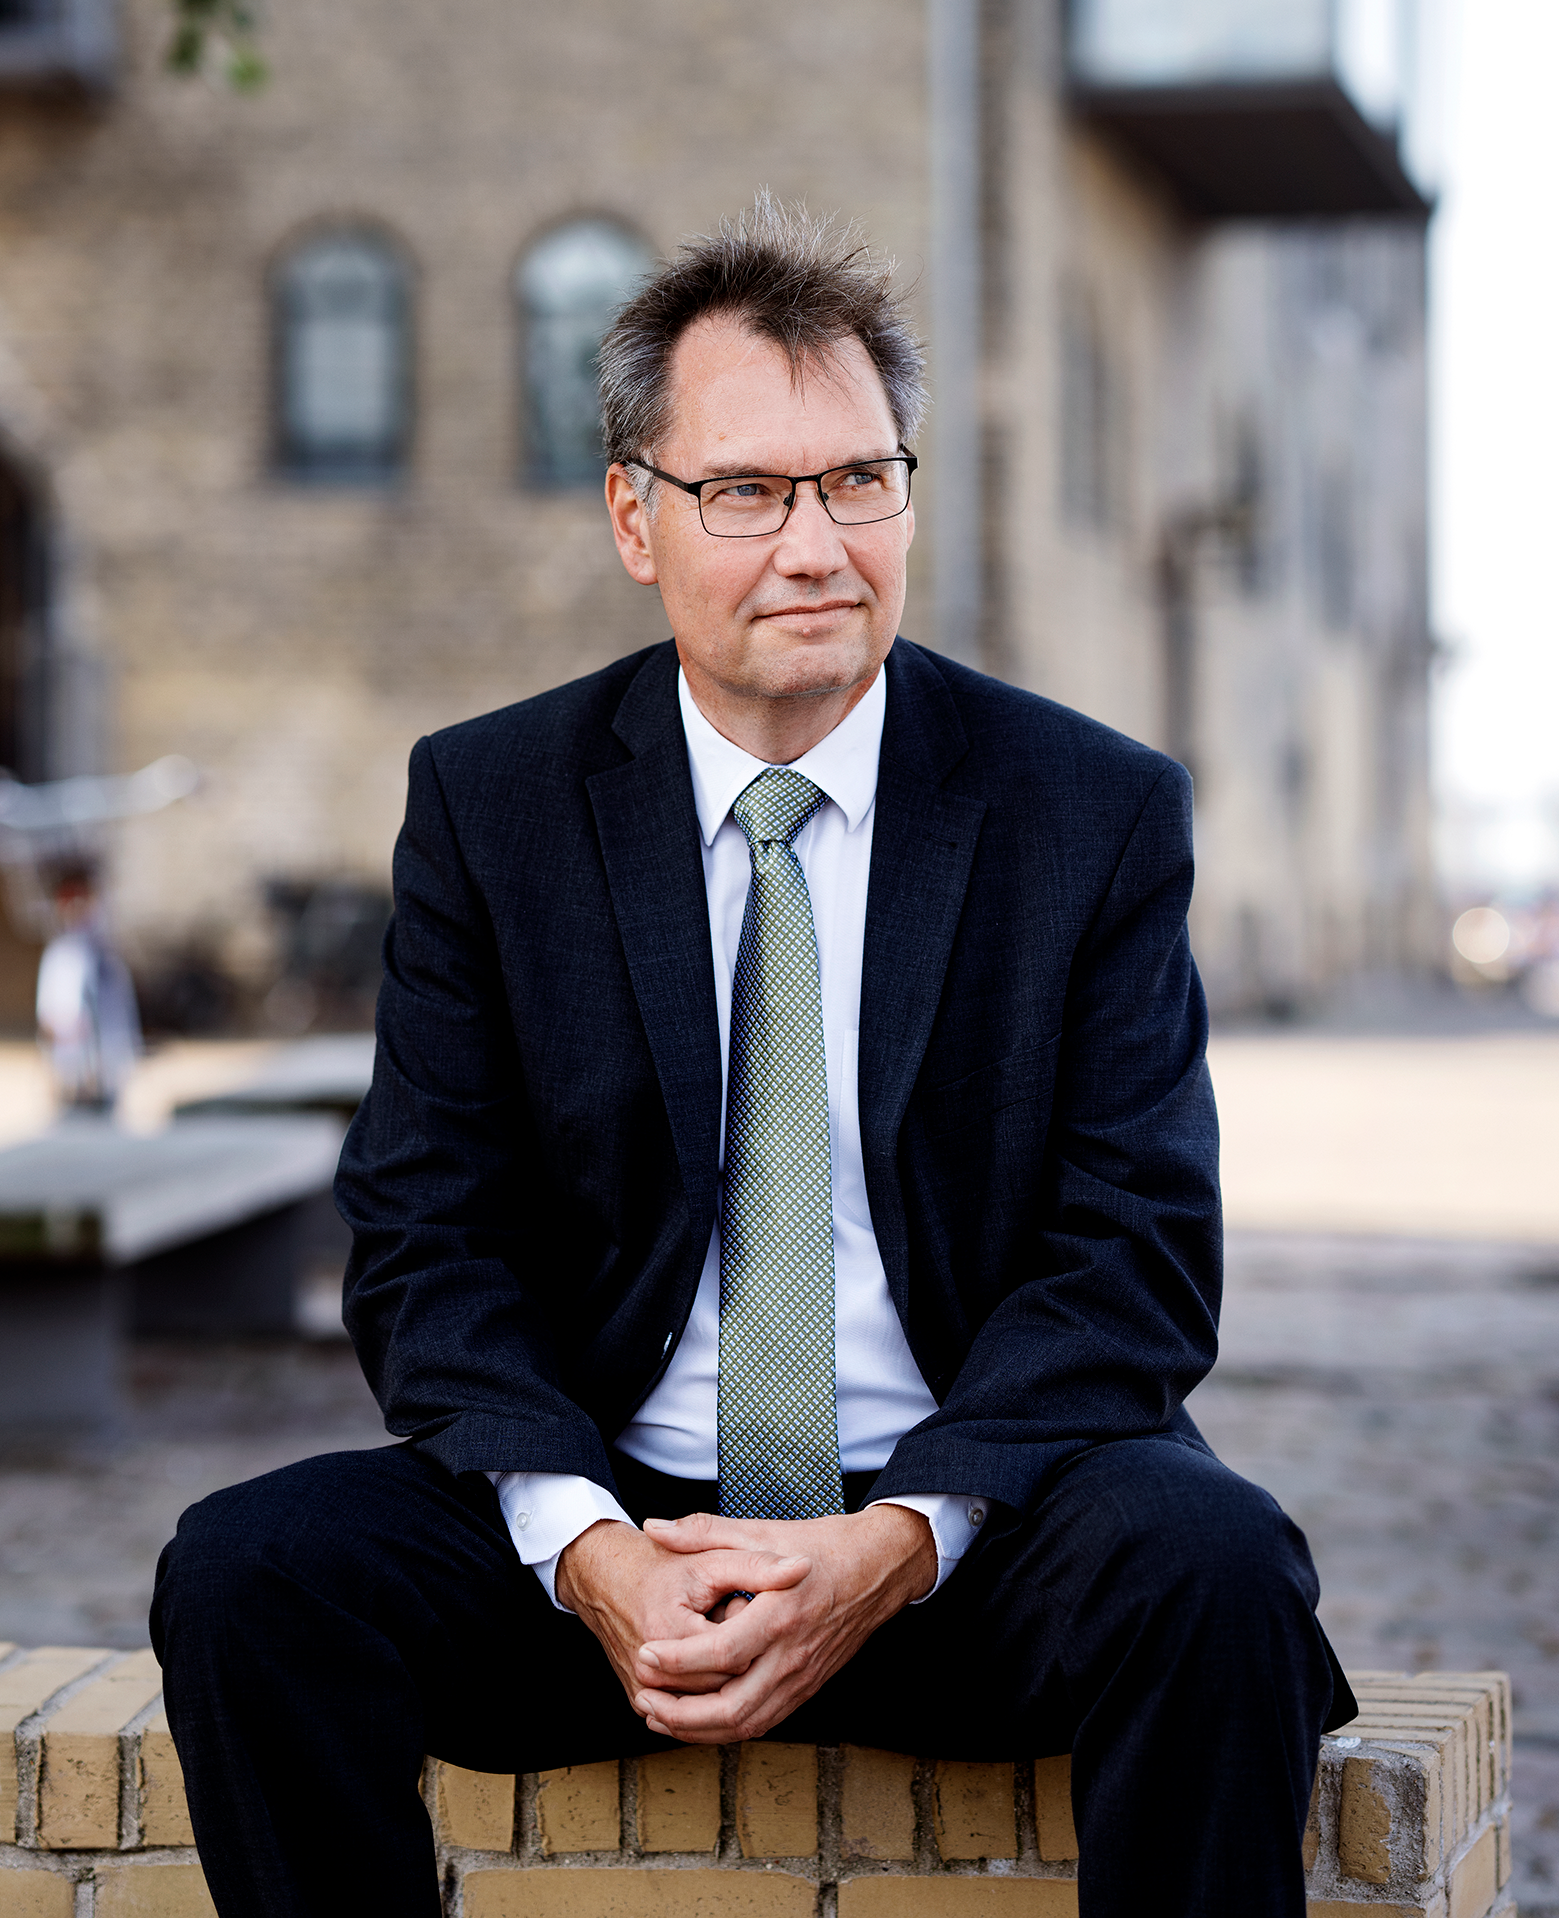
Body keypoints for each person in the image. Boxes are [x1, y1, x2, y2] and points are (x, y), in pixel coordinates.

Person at [152, 197, 1355, 1918]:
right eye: (745, 491)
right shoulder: (492, 806)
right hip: (618, 1544)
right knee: (251, 1572)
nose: (815, 545)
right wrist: (589, 1548)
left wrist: (892, 1539)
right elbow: (426, 1233)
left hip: (970, 1533)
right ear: (631, 516)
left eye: (858, 479)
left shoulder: (1085, 810)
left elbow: (1136, 1253)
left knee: (1215, 1565)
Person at [35, 854, 142, 1110]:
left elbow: (121, 1012)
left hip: (107, 1069)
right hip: (72, 1073)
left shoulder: (106, 954)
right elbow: (50, 1017)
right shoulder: (61, 954)